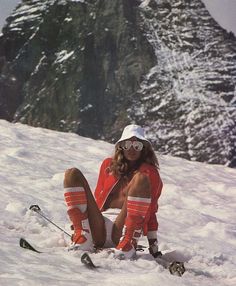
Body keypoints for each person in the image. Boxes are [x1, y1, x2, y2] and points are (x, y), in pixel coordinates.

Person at [63, 124, 163, 259]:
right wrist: (81, 222)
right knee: (71, 174)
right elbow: (97, 198)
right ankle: (83, 237)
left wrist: (153, 245)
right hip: (99, 226)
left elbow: (151, 210)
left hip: (123, 230)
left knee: (140, 179)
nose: (132, 149)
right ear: (121, 146)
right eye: (127, 144)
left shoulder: (149, 174)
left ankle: (128, 243)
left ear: (144, 149)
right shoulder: (108, 166)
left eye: (137, 146)